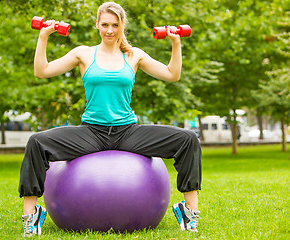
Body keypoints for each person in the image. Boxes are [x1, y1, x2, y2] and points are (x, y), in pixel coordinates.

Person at [19, 1, 202, 236]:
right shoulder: (83, 53)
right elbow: (41, 71)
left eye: (115, 25)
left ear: (121, 25)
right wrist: (43, 36)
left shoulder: (134, 55)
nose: (109, 30)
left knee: (188, 139)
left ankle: (189, 213)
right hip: (91, 133)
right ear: (97, 24)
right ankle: (31, 217)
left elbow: (172, 74)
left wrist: (176, 43)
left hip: (128, 132)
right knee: (36, 141)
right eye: (105, 24)